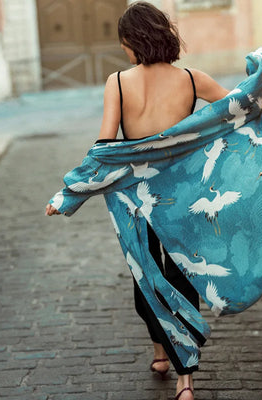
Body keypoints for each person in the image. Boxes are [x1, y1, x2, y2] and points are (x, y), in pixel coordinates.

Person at [46, 2, 229, 399]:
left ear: (132, 40)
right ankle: (185, 381)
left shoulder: (117, 81)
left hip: (135, 199)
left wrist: (69, 193)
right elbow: (237, 110)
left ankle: (160, 351)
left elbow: (105, 146)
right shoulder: (193, 80)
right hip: (180, 195)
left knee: (147, 274)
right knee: (181, 275)